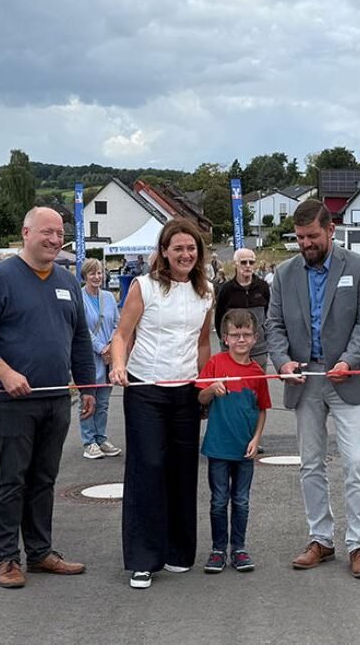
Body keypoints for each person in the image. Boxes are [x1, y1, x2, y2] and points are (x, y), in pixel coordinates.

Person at [0, 206, 96, 589]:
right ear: (26, 232)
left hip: (56, 400)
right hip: (12, 400)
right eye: (46, 232)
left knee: (44, 478)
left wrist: (87, 386)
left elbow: (79, 339)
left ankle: (39, 553)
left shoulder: (68, 281)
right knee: (11, 480)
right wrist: (2, 371)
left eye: (60, 234)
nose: (55, 240)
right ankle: (7, 559)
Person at [265, 198, 360, 579]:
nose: (305, 244)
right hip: (305, 381)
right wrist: (282, 363)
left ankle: (359, 544)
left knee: (357, 463)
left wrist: (348, 359)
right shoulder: (284, 274)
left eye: (312, 236)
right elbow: (274, 326)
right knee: (310, 464)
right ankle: (321, 539)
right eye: (299, 238)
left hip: (348, 377)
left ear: (330, 230)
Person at [110, 218, 214, 590]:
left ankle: (178, 550)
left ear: (198, 253)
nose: (186, 254)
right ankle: (143, 558)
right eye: (178, 248)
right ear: (165, 252)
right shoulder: (145, 286)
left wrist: (205, 385)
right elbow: (122, 335)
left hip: (186, 390)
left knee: (183, 468)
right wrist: (119, 365)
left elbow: (203, 344)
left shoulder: (206, 292)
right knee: (148, 466)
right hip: (146, 388)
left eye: (192, 248)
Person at [196, 309, 270, 574]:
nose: (241, 339)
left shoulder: (257, 372)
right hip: (218, 447)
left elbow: (262, 409)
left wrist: (256, 439)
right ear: (225, 338)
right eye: (235, 335)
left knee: (241, 500)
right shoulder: (216, 364)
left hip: (244, 450)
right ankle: (218, 549)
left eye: (246, 335)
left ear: (255, 338)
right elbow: (200, 399)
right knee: (218, 500)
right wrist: (210, 389)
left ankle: (238, 548)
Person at [78, 258, 121, 460]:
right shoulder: (79, 297)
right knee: (88, 399)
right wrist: (100, 347)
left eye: (100, 273)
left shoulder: (109, 297)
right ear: (85, 276)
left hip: (108, 356)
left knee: (103, 401)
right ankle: (89, 441)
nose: (97, 277)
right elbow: (81, 329)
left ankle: (101, 437)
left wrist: (111, 347)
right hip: (89, 356)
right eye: (92, 273)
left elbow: (117, 323)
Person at [214, 248, 271, 368]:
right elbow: (219, 319)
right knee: (232, 386)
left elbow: (269, 316)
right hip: (232, 350)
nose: (248, 266)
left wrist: (266, 339)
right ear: (235, 264)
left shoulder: (263, 287)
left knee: (257, 385)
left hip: (258, 350)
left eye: (251, 262)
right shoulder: (226, 290)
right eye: (244, 262)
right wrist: (226, 342)